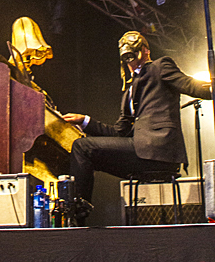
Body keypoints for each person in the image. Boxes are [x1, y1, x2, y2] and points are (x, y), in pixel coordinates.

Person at [63, 31, 212, 212]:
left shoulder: (160, 66)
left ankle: (77, 210)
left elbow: (190, 85)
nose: (130, 60)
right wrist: (85, 121)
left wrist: (210, 87)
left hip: (158, 150)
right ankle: (78, 213)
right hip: (141, 151)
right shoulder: (129, 92)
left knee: (83, 147)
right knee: (82, 152)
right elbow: (119, 133)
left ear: (145, 51)